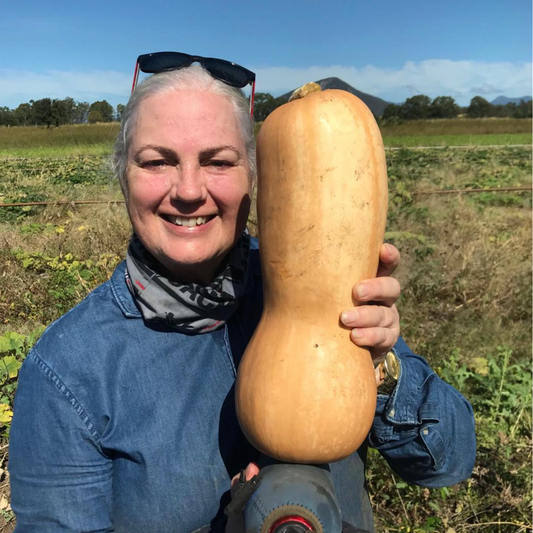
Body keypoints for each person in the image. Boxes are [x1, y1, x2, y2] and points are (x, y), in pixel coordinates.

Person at [9, 53, 476, 533]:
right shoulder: (66, 369)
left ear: (256, 177)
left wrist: (384, 369)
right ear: (123, 177)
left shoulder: (333, 291)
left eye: (218, 161)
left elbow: (446, 465)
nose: (188, 190)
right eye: (157, 161)